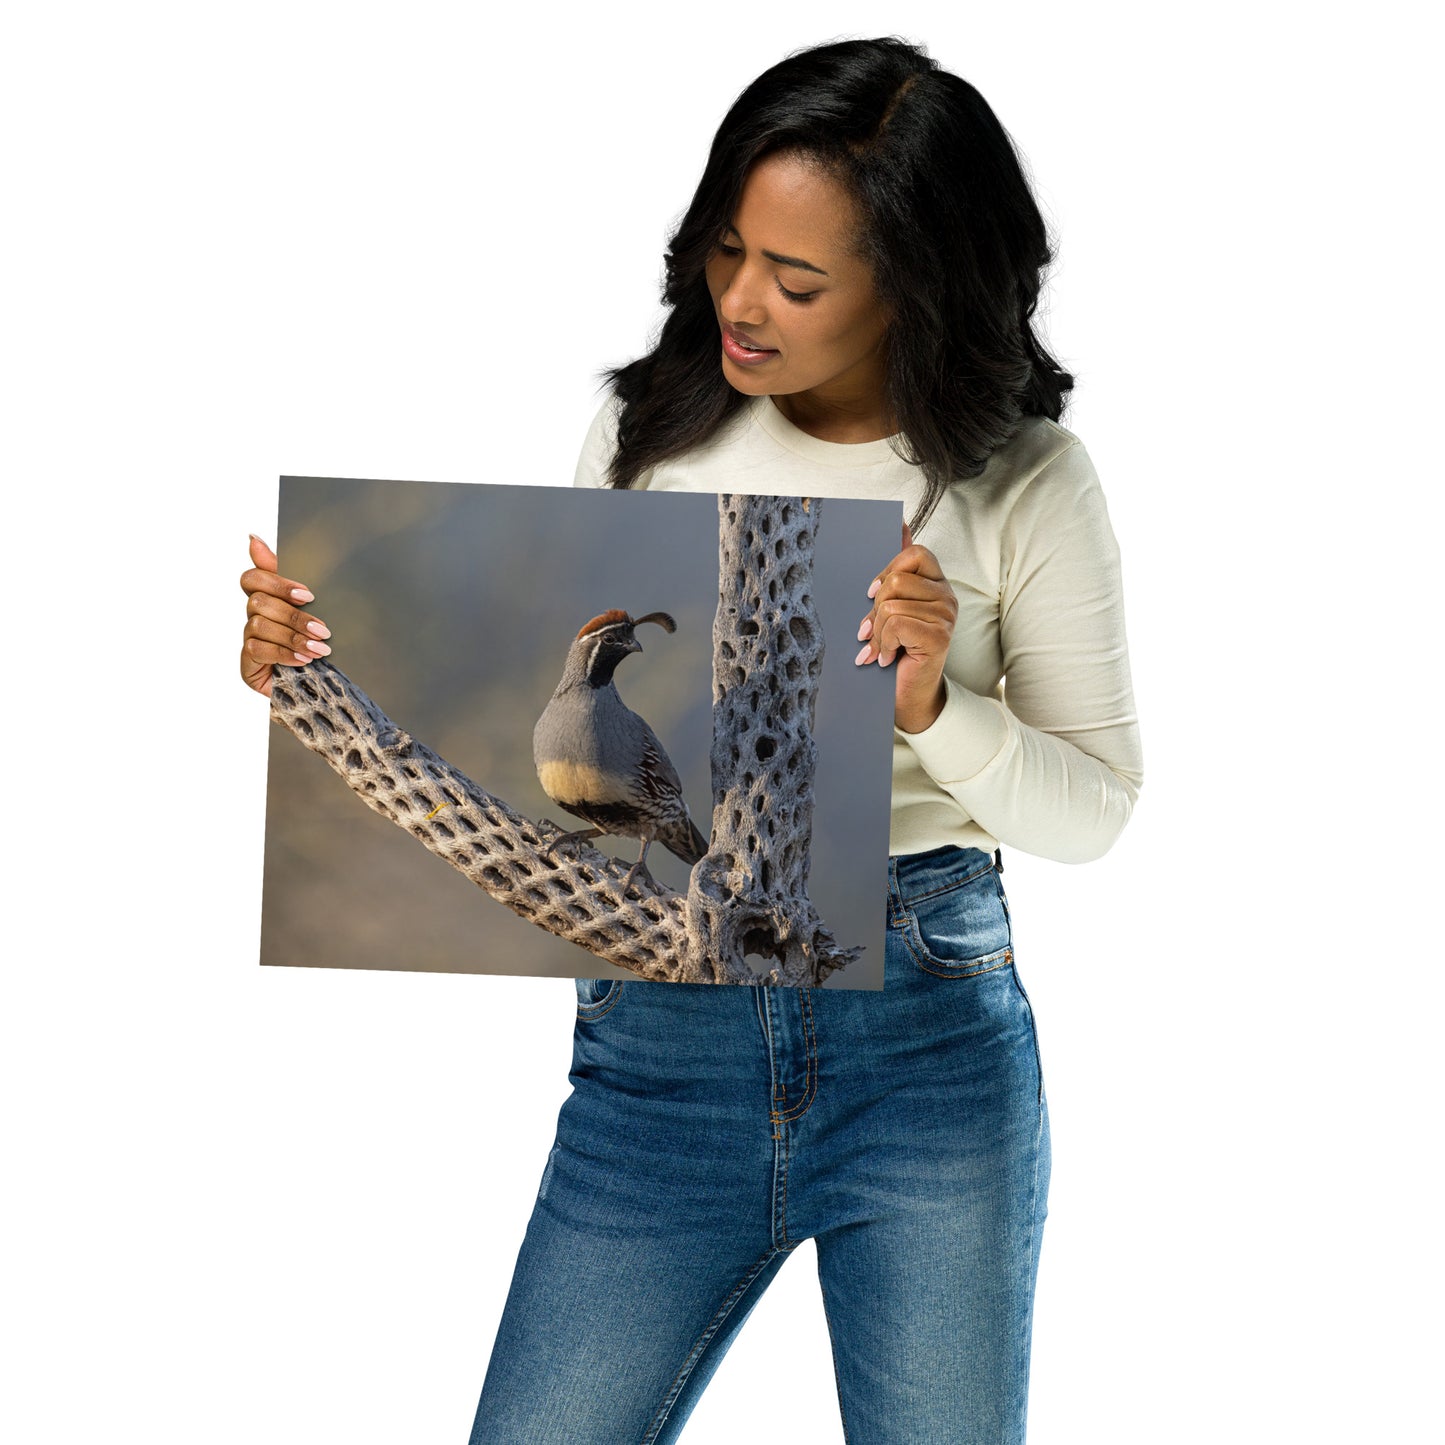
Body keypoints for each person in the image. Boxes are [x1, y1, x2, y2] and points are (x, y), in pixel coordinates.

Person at [240, 36, 1142, 1444]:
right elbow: (518, 689)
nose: (740, 301)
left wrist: (932, 707)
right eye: (727, 251)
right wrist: (306, 671)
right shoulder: (643, 427)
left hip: (925, 1047)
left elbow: (1094, 811)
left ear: (915, 280)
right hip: (656, 1046)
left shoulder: (1024, 479)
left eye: (795, 278)